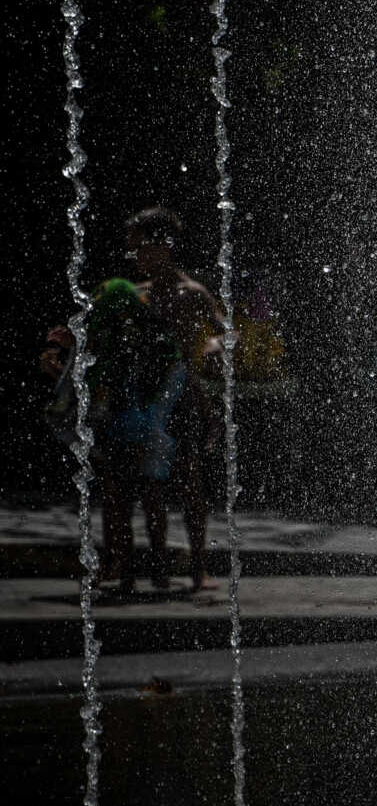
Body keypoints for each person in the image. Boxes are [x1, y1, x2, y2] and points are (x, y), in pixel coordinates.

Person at [38, 206, 224, 592]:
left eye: (141, 248)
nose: (135, 257)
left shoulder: (193, 294)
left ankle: (198, 567)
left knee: (190, 480)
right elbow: (105, 346)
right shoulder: (132, 298)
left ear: (165, 246)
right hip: (139, 401)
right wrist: (72, 348)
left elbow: (229, 335)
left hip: (182, 395)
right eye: (132, 250)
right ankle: (127, 566)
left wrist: (206, 346)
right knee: (131, 485)